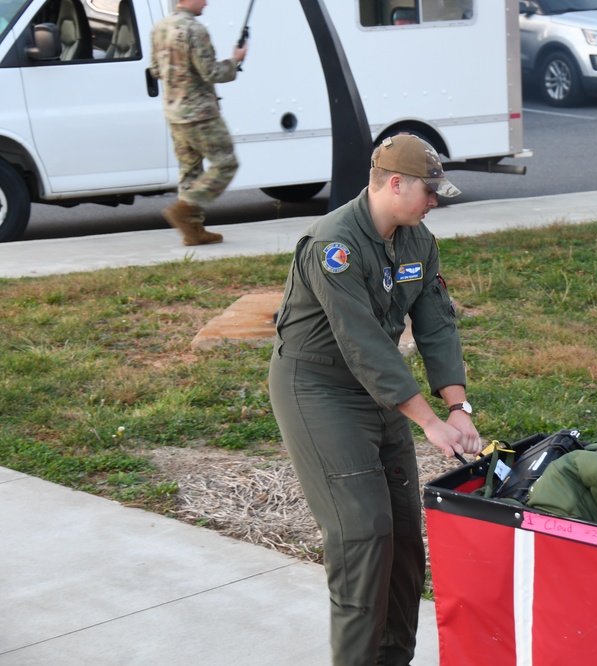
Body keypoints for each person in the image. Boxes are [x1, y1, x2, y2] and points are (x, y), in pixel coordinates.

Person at [268, 134, 483, 664]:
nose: (434, 202)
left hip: (378, 389)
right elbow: (361, 341)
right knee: (362, 534)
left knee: (404, 540)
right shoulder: (333, 245)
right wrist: (428, 422)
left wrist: (458, 409)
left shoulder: (417, 239)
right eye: (429, 193)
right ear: (394, 184)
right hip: (318, 387)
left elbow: (436, 323)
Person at [149, 0, 246, 246]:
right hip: (200, 114)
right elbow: (211, 72)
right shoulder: (195, 29)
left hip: (174, 112)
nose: (206, 2)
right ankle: (185, 208)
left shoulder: (159, 27)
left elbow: (155, 70)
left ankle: (193, 232)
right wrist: (235, 60)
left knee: (190, 170)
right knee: (226, 163)